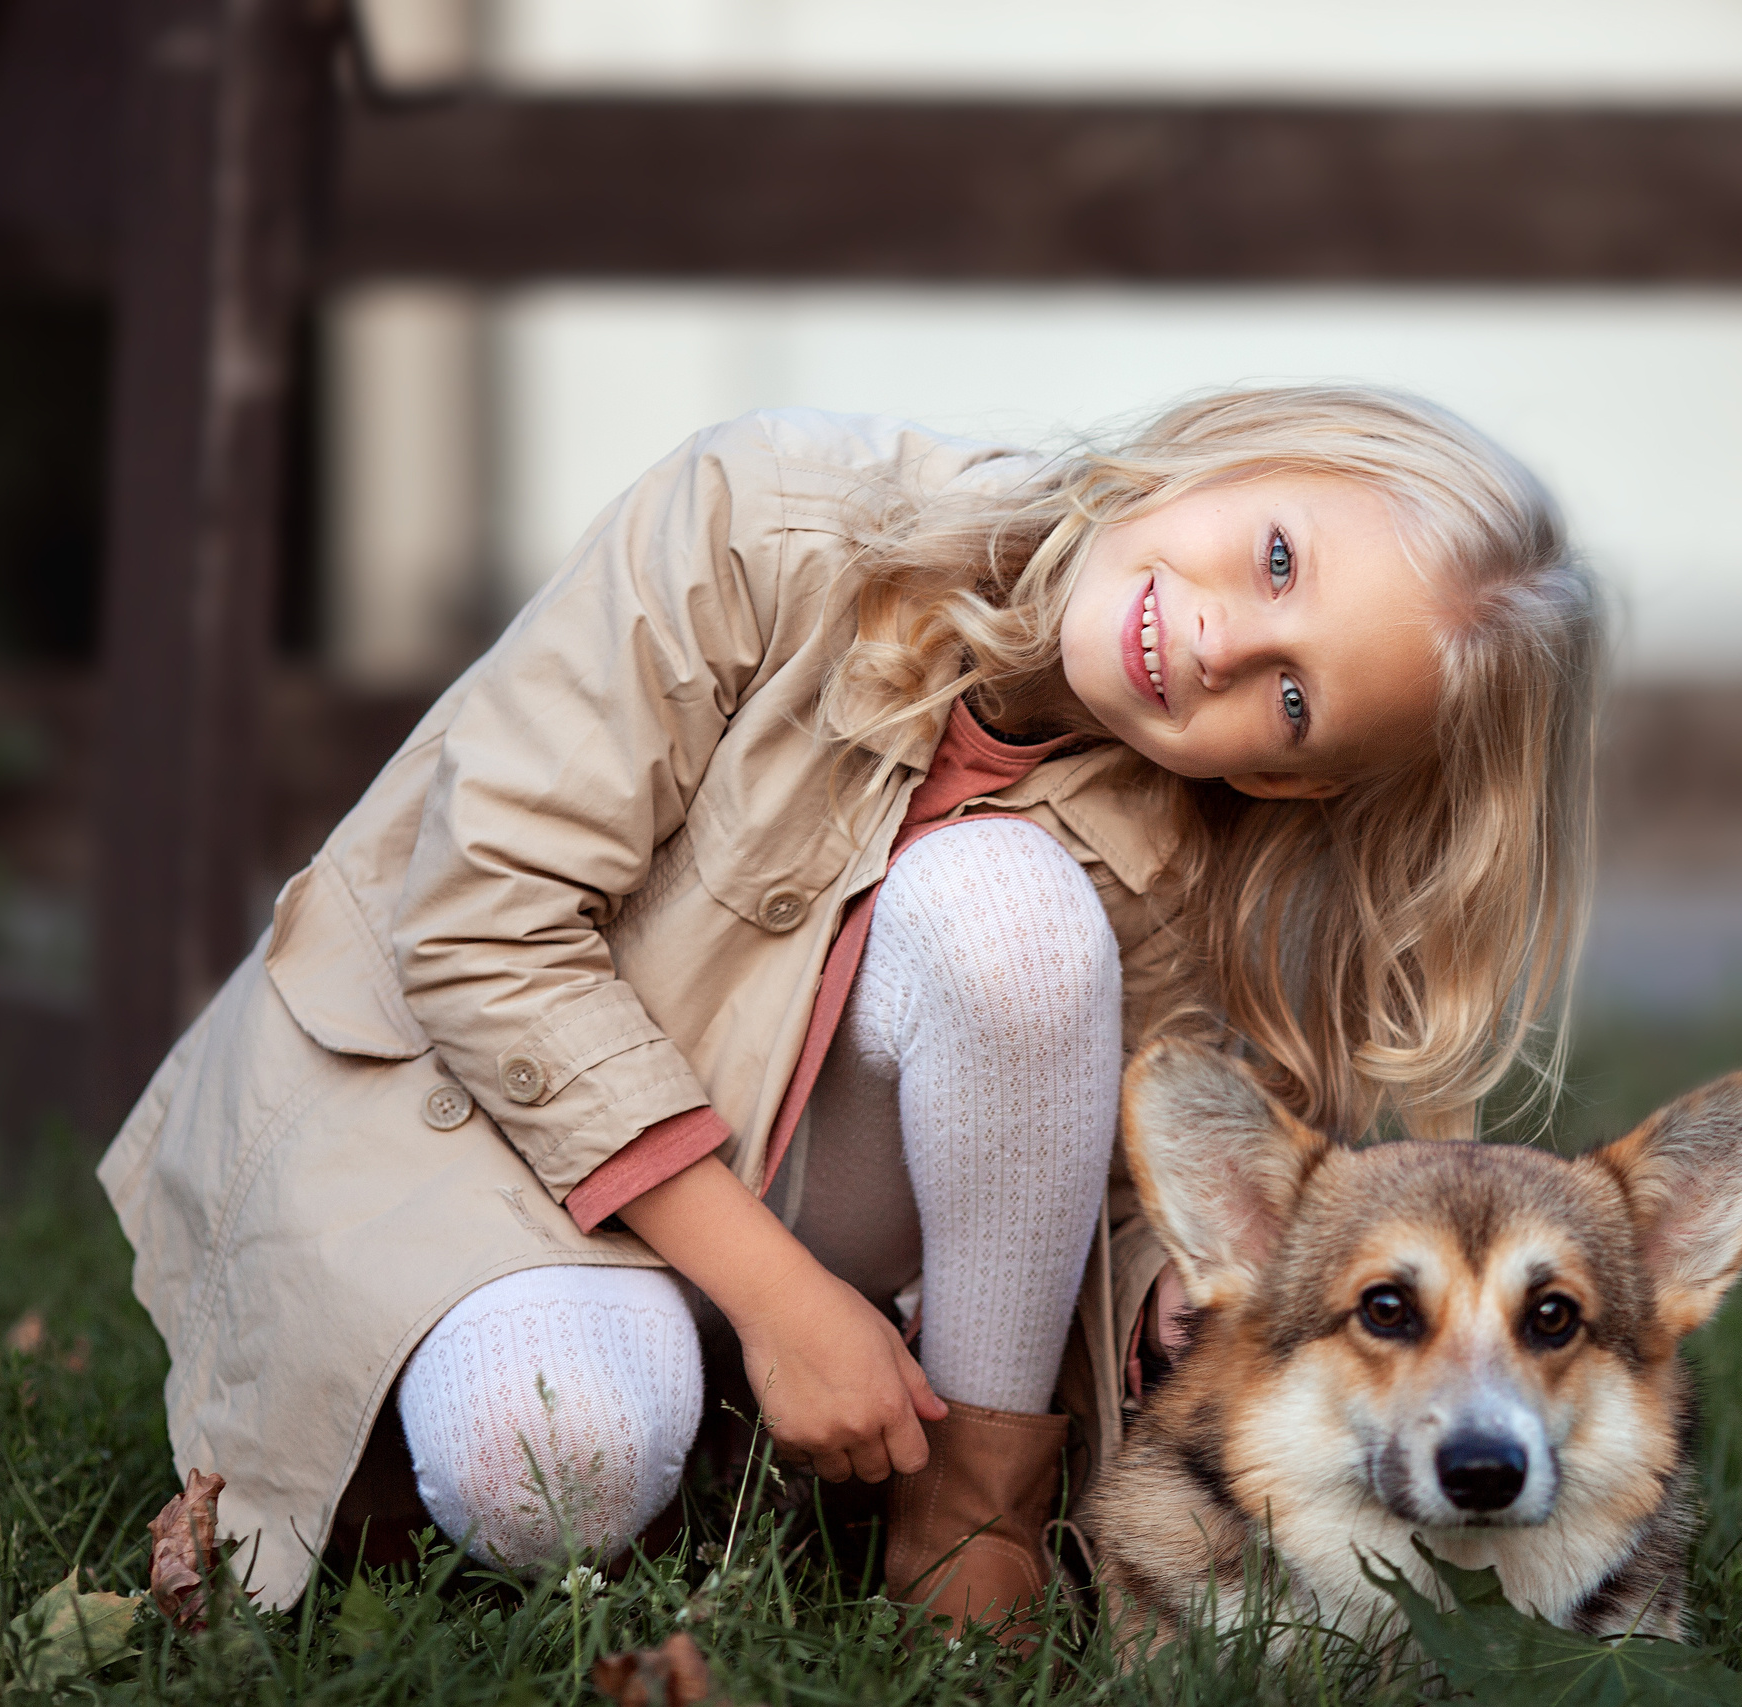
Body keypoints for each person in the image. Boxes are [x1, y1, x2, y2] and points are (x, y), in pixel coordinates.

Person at [96, 389, 1601, 1633]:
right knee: (548, 1457)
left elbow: (1115, 1150)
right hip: (468, 1127)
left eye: (1289, 699)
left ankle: (970, 1521)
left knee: (1011, 918)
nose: (1220, 644)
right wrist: (782, 1301)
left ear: (1287, 775)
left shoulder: (1192, 845)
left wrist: (1167, 1276)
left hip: (791, 1183)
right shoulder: (767, 518)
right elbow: (484, 921)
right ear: (1240, 445)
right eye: (1276, 560)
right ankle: (681, 1427)